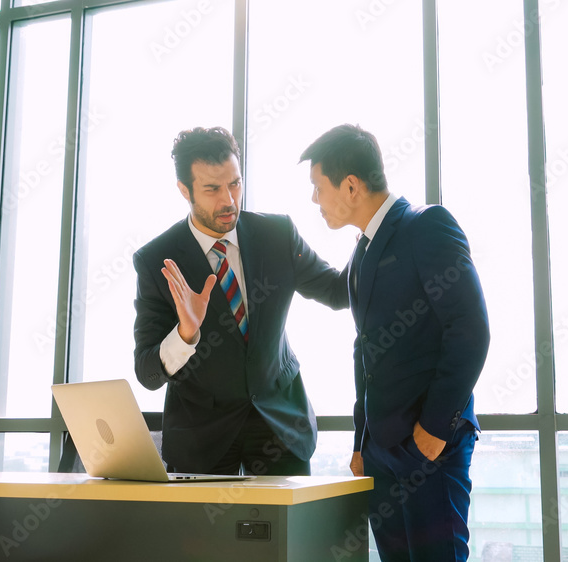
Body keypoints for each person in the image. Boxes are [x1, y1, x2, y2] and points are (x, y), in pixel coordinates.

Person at [300, 124, 490, 560]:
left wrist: (434, 430)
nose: (314, 199)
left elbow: (470, 329)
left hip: (430, 449)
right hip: (382, 451)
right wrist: (360, 441)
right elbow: (364, 348)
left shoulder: (427, 226)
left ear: (350, 186)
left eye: (318, 186)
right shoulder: (362, 251)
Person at [132, 126, 348, 476]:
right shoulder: (157, 259)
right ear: (184, 190)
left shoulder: (277, 235)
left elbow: (338, 291)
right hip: (203, 440)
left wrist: (369, 228)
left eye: (235, 183)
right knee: (207, 534)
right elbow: (147, 372)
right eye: (212, 189)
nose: (229, 200)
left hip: (281, 428)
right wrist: (185, 334)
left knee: (289, 532)